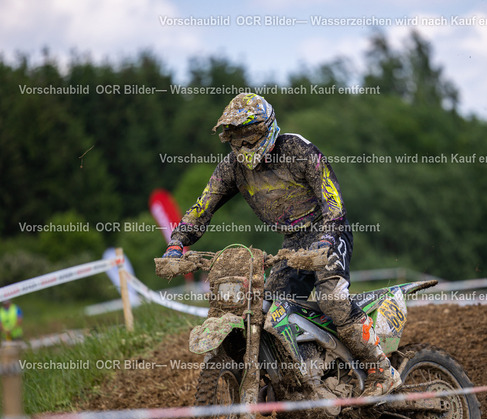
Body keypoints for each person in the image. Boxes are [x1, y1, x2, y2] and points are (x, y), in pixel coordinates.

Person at [162, 93, 401, 397]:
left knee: (331, 298)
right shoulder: (232, 167)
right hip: (292, 244)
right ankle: (294, 378)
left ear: (266, 129)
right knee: (267, 310)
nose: (243, 143)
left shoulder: (297, 150)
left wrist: (327, 237)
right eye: (235, 136)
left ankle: (381, 368)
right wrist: (177, 243)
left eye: (249, 134)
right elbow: (203, 206)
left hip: (329, 230)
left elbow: (332, 200)